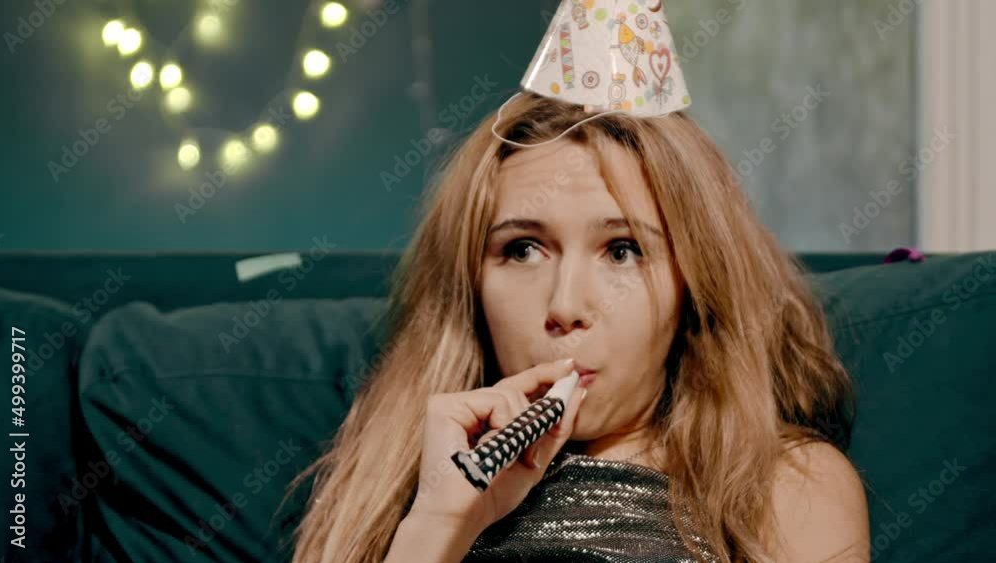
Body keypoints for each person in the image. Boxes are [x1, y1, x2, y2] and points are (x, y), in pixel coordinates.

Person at [286, 2, 870, 562]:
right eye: (522, 249)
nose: (566, 306)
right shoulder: (382, 487)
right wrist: (437, 524)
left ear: (695, 286)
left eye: (622, 251)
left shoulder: (787, 487)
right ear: (470, 287)